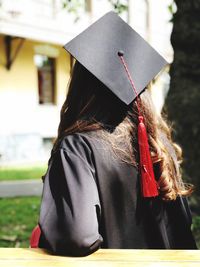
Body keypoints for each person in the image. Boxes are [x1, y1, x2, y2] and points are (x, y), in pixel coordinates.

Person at [31, 12, 197, 255]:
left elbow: (76, 238)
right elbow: (183, 227)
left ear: (80, 87)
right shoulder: (159, 145)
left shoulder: (77, 148)